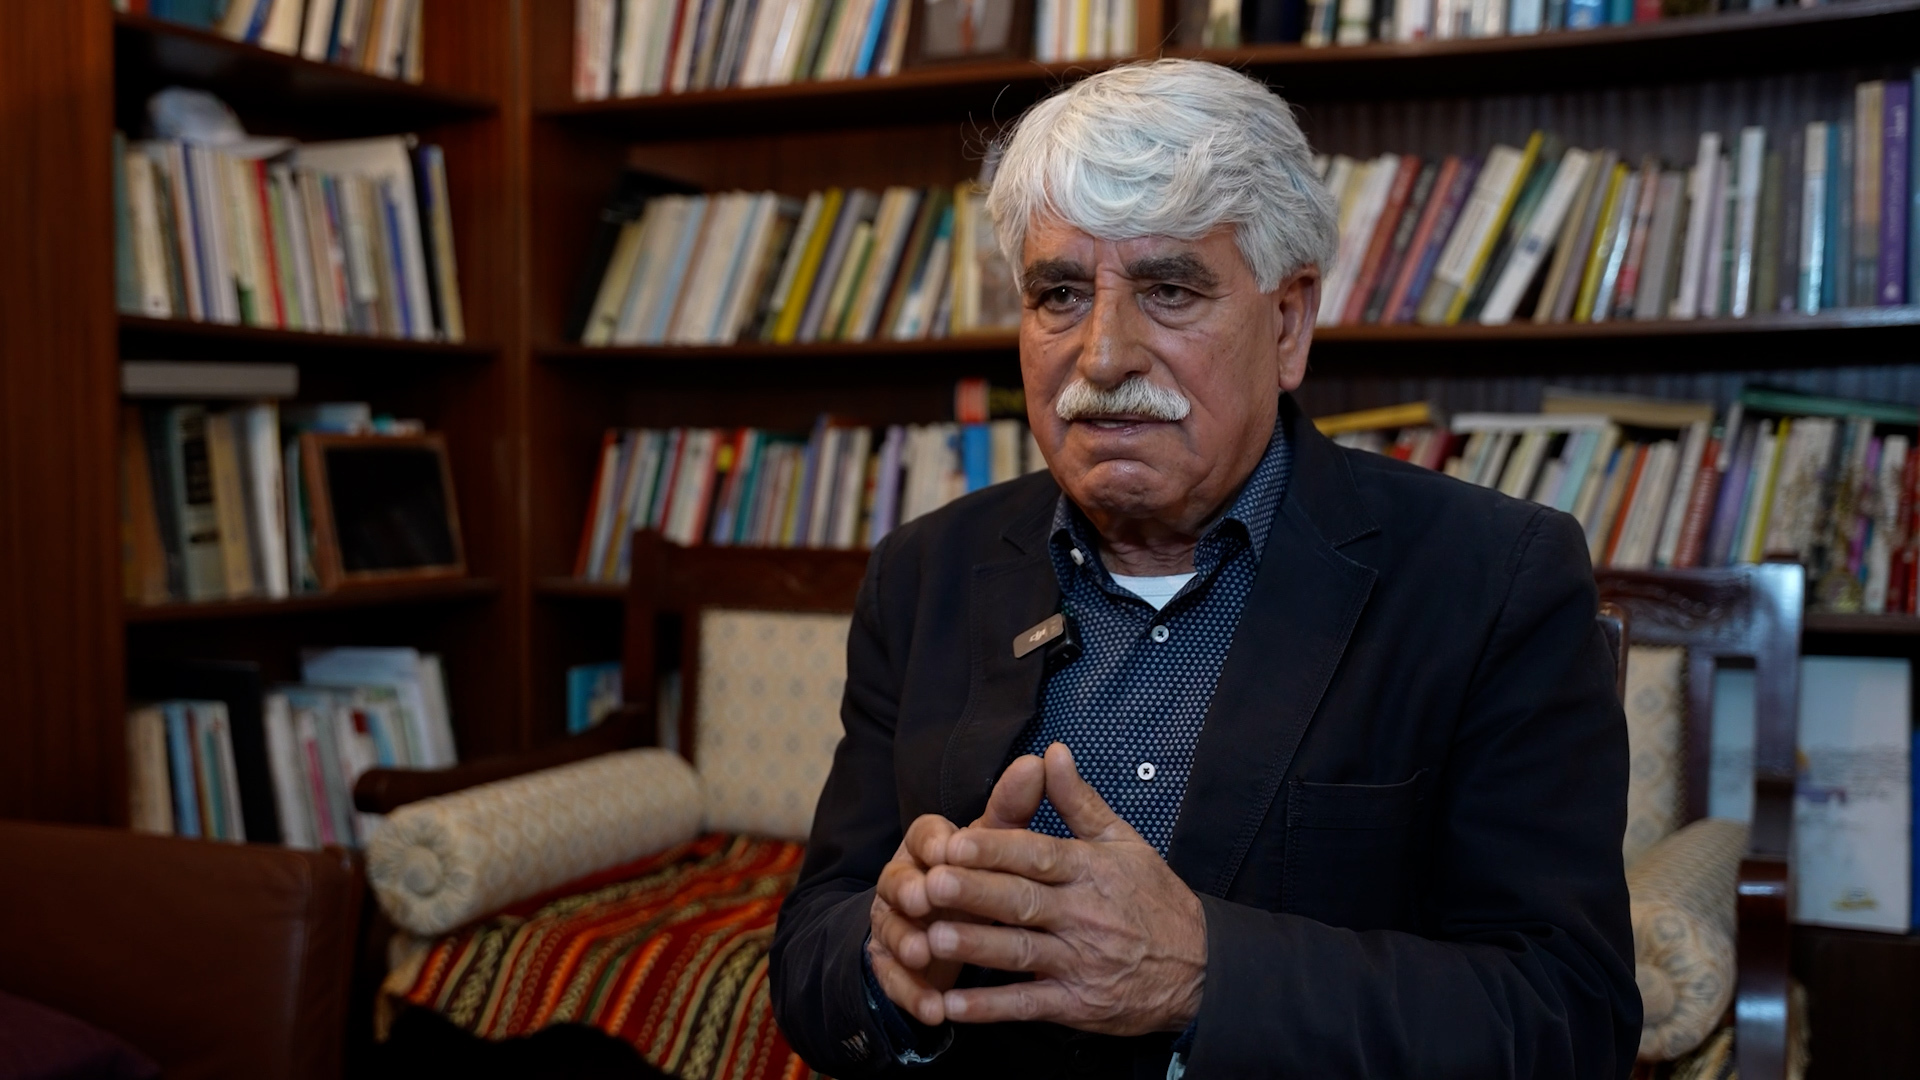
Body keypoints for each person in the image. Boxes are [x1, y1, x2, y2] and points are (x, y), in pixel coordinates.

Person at [769, 58, 1640, 1078]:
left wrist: (1205, 975)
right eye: (1059, 294)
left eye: (1170, 290)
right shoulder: (924, 574)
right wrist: (888, 960)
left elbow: (1565, 1016)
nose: (1103, 357)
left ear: (1288, 323)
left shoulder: (1490, 580)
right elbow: (813, 943)